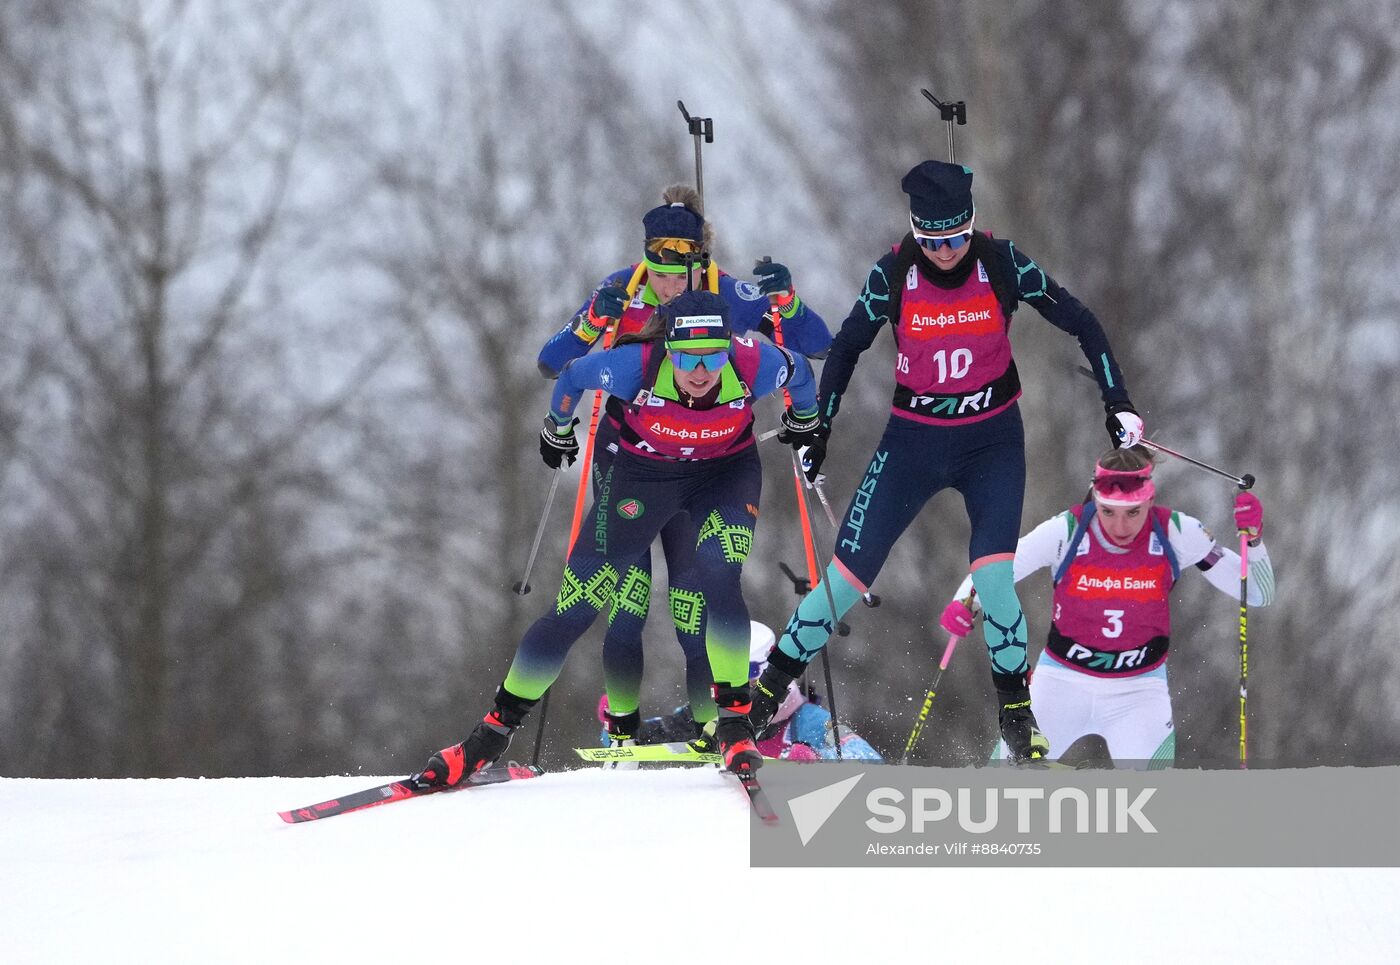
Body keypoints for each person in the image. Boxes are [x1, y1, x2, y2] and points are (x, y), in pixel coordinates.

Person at [748, 159, 1146, 764]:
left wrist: (1116, 401)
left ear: (972, 225)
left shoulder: (1001, 262)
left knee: (993, 579)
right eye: (932, 241)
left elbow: (1080, 319)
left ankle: (1017, 720)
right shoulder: (894, 273)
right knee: (846, 580)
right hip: (913, 442)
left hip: (992, 442)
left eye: (957, 238)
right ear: (915, 232)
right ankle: (765, 696)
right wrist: (817, 427)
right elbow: (850, 345)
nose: (945, 252)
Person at [412, 290, 821, 783]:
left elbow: (801, 369)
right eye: (688, 356)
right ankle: (487, 738)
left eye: (712, 355)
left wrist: (804, 419)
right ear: (669, 347)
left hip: (724, 477)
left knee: (719, 578)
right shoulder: (632, 367)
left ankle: (734, 725)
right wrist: (557, 428)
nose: (700, 369)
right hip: (642, 480)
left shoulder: (755, 362)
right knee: (576, 607)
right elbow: (571, 376)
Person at [537, 187, 831, 751]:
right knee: (627, 601)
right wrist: (593, 320)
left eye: (679, 274)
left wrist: (788, 304)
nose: (666, 285)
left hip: (704, 465)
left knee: (694, 598)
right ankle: (620, 733)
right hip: (628, 459)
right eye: (657, 271)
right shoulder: (623, 286)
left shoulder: (730, 294)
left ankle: (711, 727)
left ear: (702, 262)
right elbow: (554, 363)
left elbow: (815, 346)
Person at [940, 446, 1276, 767]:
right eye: (1108, 512)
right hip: (1060, 683)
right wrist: (963, 602)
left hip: (1139, 692)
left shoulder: (1178, 532)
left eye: (1133, 512)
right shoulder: (1067, 531)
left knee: (1155, 809)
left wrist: (1255, 540)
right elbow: (996, 571)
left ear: (1150, 500)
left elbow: (1259, 592)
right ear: (1095, 501)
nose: (1120, 527)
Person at [600, 622, 882, 762]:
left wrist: (817, 760)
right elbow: (645, 741)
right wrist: (619, 725)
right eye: (723, 683)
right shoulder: (709, 717)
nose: (734, 697)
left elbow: (867, 759)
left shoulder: (806, 720)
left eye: (746, 685)